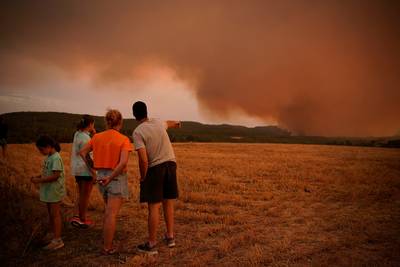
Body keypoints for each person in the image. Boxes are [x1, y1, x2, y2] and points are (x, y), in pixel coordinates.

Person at [79, 109, 132, 255]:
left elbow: (83, 153)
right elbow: (122, 163)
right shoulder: (124, 139)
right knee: (111, 214)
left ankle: (107, 241)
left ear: (106, 122)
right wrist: (111, 176)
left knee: (109, 212)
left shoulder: (97, 137)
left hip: (101, 176)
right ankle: (107, 247)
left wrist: (93, 169)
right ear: (120, 122)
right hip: (115, 178)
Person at [131, 101, 181, 255]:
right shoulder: (158, 122)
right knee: (168, 203)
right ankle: (170, 237)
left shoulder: (138, 132)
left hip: (156, 168)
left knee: (154, 207)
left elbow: (143, 160)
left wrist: (143, 176)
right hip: (171, 165)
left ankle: (151, 244)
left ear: (134, 115)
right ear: (147, 111)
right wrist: (179, 123)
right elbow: (170, 123)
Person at [31, 135, 66, 251]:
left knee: (55, 215)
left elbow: (56, 175)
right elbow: (47, 173)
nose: (41, 152)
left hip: (54, 190)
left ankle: (58, 240)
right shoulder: (49, 157)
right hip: (48, 190)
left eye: (41, 149)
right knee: (51, 214)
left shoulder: (56, 158)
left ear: (49, 147)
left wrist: (39, 180)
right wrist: (38, 176)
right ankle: (53, 235)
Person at [70, 115, 96, 229]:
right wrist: (93, 171)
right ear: (90, 124)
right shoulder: (86, 139)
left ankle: (76, 216)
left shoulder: (77, 134)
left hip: (77, 169)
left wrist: (93, 133)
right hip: (85, 170)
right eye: (93, 124)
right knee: (85, 196)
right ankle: (82, 220)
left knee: (80, 194)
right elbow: (88, 156)